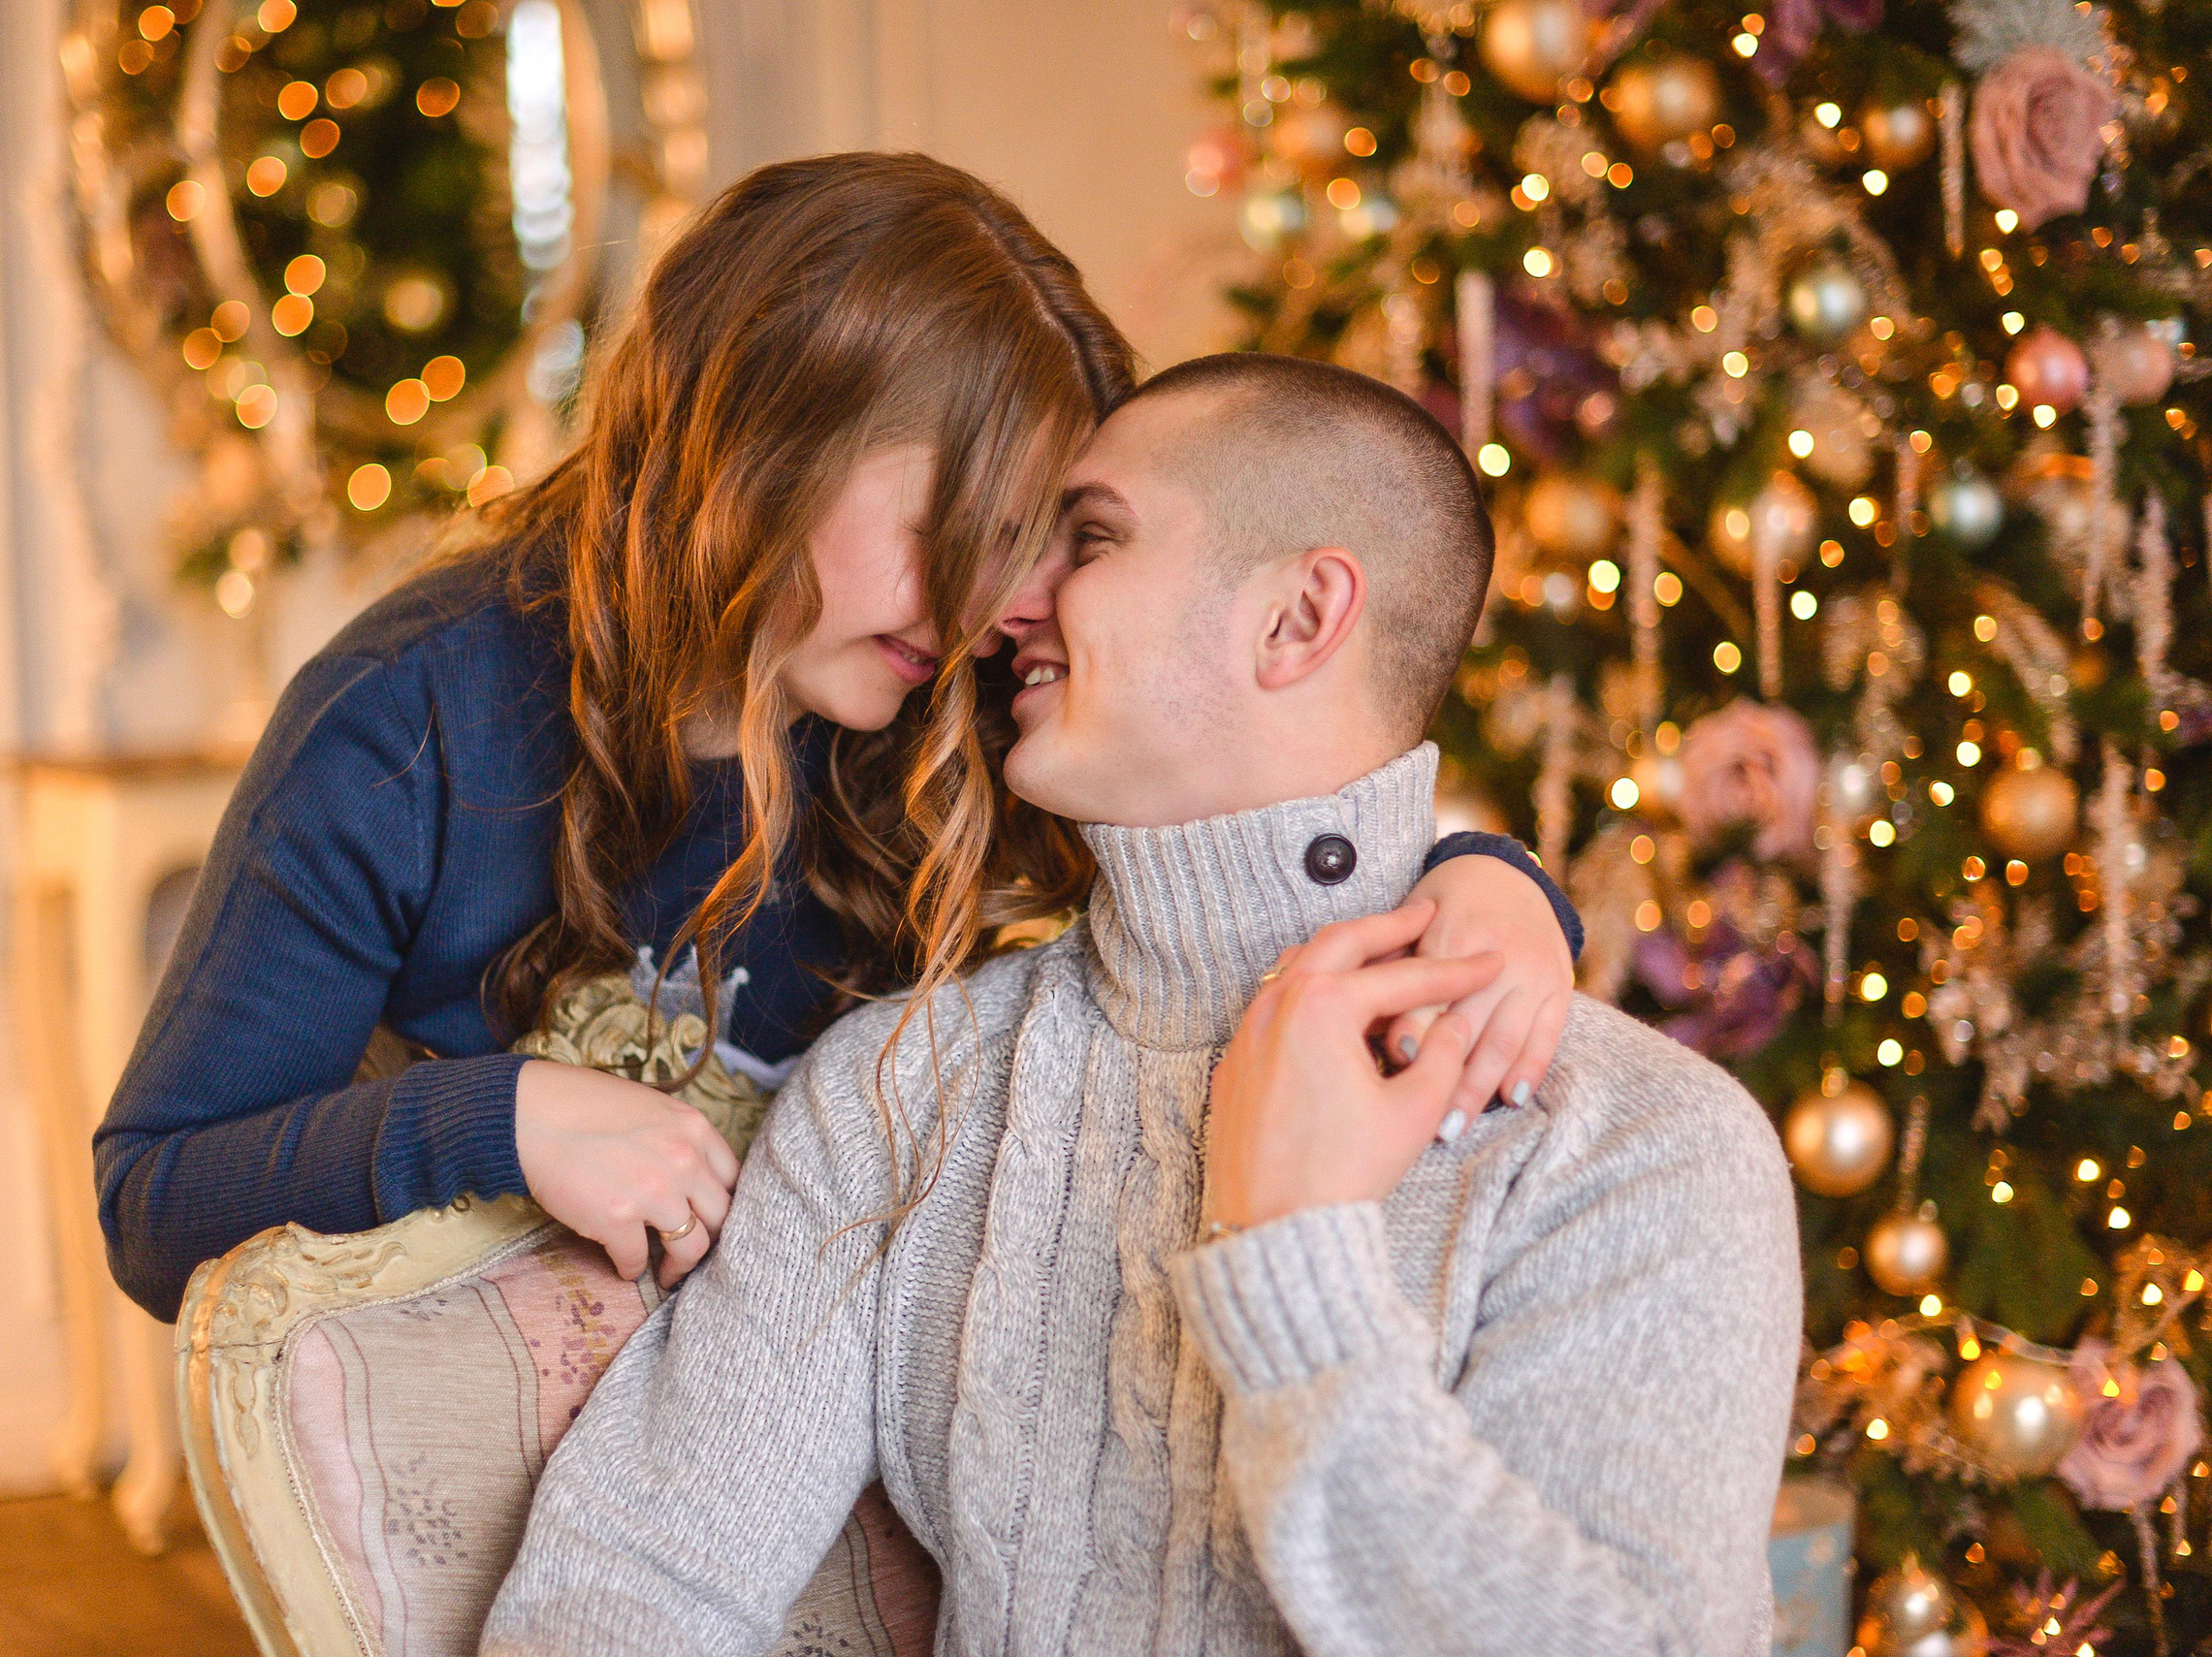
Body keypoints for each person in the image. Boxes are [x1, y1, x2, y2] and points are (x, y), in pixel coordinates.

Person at [94, 153, 1583, 1323]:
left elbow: (1240, 846)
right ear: (761, 444)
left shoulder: (949, 699)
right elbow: (153, 1202)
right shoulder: (412, 717)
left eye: (1031, 542)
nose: (1001, 600)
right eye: (955, 527)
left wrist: (1489, 873)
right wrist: (502, 1115)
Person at [480, 355, 1805, 1657]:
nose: (1005, 603)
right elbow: (644, 1568)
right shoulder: (905, 1086)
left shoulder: (1638, 1141)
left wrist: (1296, 1263)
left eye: (1091, 539)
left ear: (1296, 619)